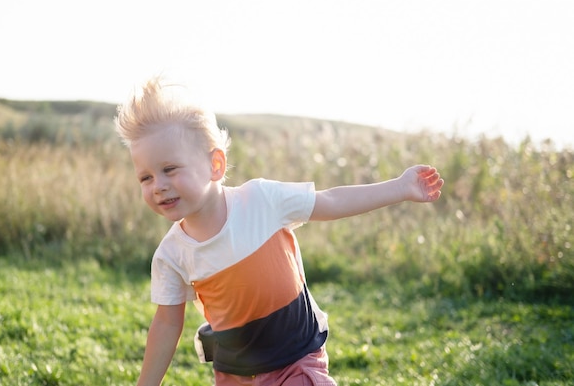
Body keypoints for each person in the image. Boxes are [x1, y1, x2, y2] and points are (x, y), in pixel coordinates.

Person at [114, 77, 444, 386]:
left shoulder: (261, 200)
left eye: (169, 169)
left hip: (297, 355)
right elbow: (168, 323)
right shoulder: (172, 255)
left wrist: (400, 188)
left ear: (215, 165)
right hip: (236, 371)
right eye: (146, 177)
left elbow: (331, 201)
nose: (158, 186)